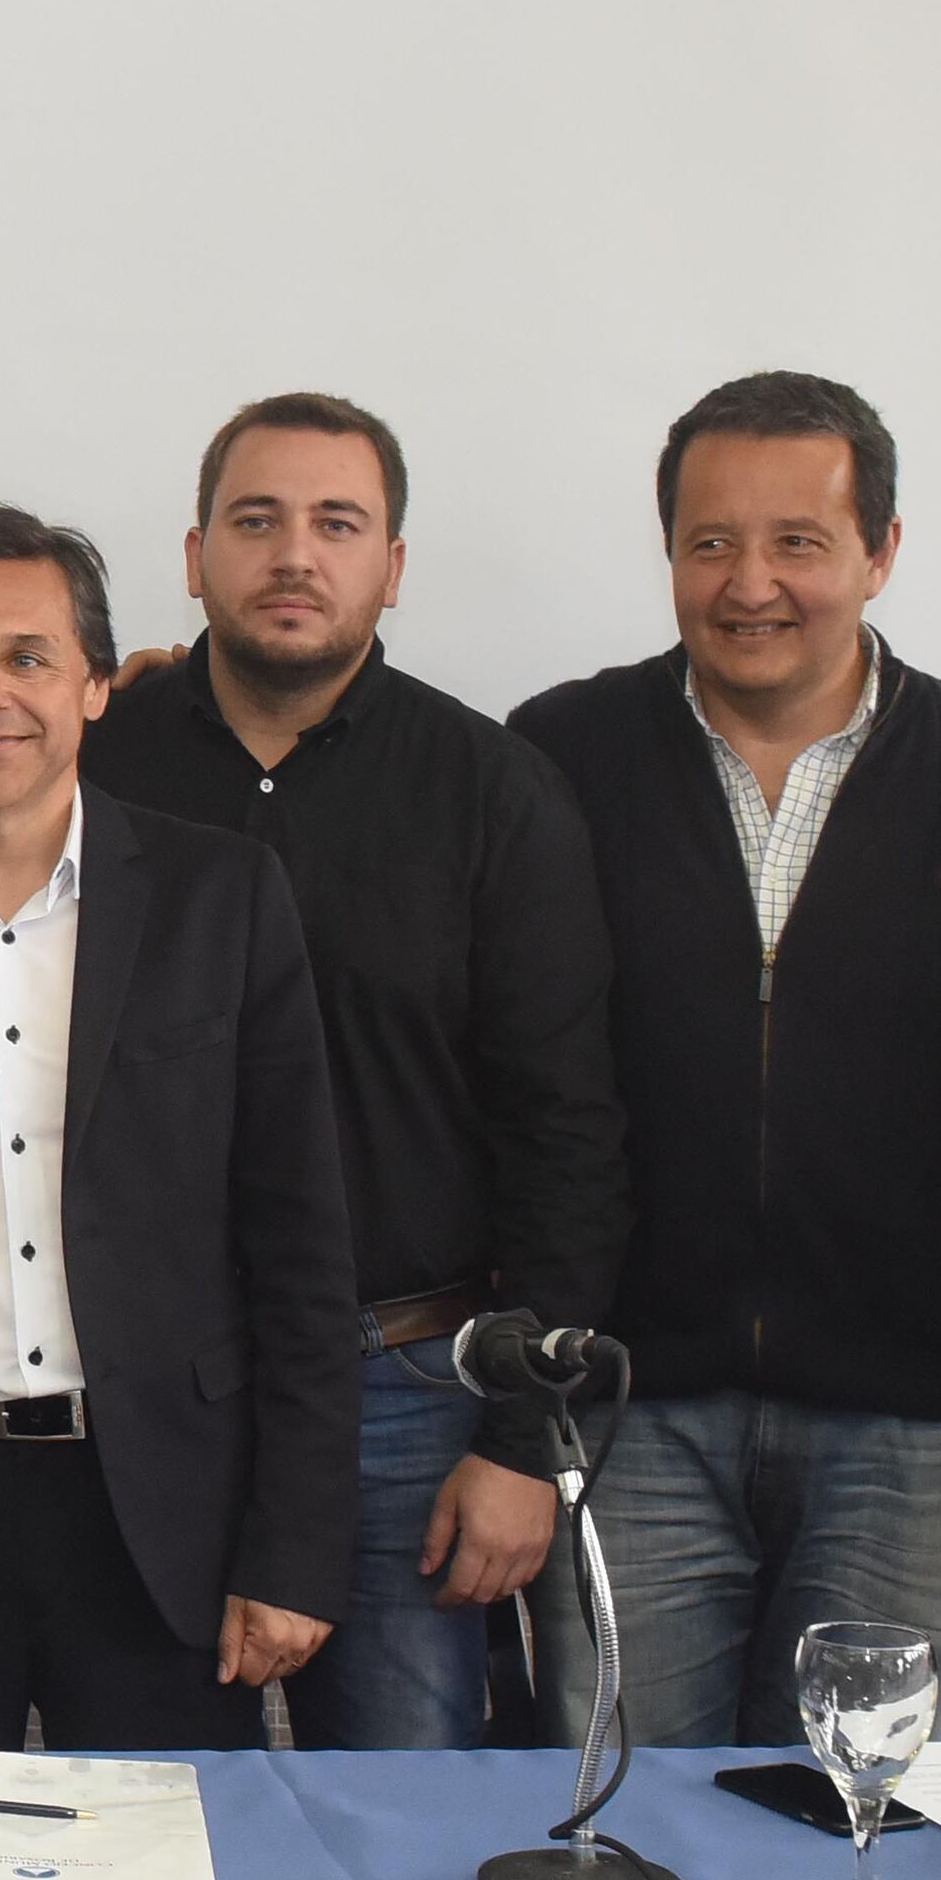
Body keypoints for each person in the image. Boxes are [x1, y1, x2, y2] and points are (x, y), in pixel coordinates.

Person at [509, 375, 941, 1744]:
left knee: (847, 1810)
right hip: (630, 1411)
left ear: (882, 551)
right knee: (628, 1815)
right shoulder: (556, 756)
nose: (750, 584)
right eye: (709, 544)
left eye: (799, 543)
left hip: (910, 1422)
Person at [77, 394, 626, 1748]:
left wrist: (524, 1447)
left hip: (412, 1392)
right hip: (150, 1391)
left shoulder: (493, 790)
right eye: (255, 522)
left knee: (405, 1813)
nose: (293, 557)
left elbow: (567, 1128)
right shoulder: (91, 770)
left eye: (338, 524)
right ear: (195, 553)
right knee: (152, 1800)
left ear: (393, 564)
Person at [0, 508, 357, 1751]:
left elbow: (299, 1246)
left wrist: (294, 1546)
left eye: (26, 657)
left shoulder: (221, 898)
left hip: (154, 1497)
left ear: (97, 684)